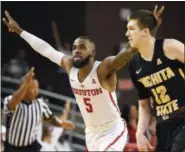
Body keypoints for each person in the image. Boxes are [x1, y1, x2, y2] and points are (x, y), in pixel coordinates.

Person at [2, 7, 161, 151]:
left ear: (93, 52)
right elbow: (45, 49)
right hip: (91, 133)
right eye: (75, 48)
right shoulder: (69, 66)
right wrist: (19, 31)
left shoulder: (103, 69)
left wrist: (147, 32)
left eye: (82, 47)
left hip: (112, 131)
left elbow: (126, 52)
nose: (77, 50)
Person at [126, 5, 185, 152]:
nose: (127, 33)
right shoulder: (134, 65)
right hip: (163, 125)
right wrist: (140, 132)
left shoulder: (169, 47)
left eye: (131, 29)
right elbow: (145, 105)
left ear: (145, 31)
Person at [3, 67, 75, 152]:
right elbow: (13, 102)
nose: (37, 92)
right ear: (24, 88)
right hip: (12, 147)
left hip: (31, 146)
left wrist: (61, 123)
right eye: (33, 89)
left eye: (37, 89)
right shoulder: (9, 100)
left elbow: (51, 120)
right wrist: (26, 84)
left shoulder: (40, 104)